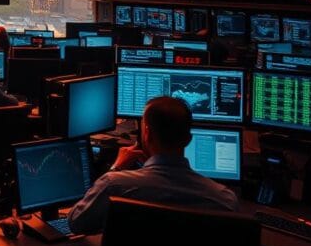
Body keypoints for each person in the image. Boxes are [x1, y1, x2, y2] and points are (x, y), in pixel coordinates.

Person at [67, 96, 238, 235]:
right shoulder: (224, 200)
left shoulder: (114, 185)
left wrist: (116, 168)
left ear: (147, 134)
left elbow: (76, 222)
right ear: (188, 139)